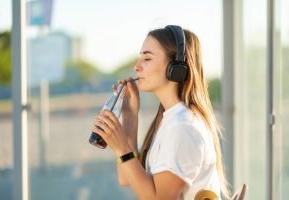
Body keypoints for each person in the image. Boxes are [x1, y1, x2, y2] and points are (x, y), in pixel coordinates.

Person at [92, 25, 230, 200]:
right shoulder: (170, 120)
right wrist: (130, 115)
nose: (137, 67)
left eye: (147, 58)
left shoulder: (183, 127)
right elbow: (126, 178)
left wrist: (122, 148)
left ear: (175, 68)